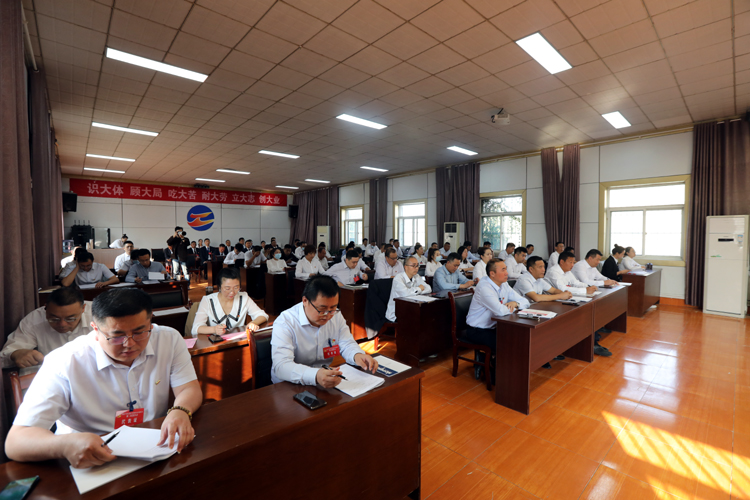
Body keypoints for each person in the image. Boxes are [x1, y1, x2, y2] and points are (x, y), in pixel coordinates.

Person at [5, 288, 202, 466]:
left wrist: (180, 410)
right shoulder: (64, 362)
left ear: (150, 321)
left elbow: (188, 387)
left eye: (140, 332)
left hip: (155, 445)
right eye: (116, 336)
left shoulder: (168, 339)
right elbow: (16, 442)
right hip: (90, 457)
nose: (129, 343)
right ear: (95, 329)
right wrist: (64, 445)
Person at [270, 276, 378, 387]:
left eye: (333, 308)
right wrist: (315, 375)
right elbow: (281, 366)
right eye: (322, 310)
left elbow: (346, 343)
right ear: (305, 301)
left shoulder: (336, 316)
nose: (328, 315)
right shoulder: (285, 322)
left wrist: (357, 355)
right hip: (288, 384)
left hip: (324, 380)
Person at [465, 259, 531, 380]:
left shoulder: (504, 284)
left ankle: (508, 372)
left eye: (506, 269)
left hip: (494, 327)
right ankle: (497, 376)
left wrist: (515, 303)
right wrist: (511, 306)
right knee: (505, 345)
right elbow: (500, 311)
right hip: (477, 330)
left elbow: (525, 301)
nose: (507, 273)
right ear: (492, 274)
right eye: (503, 270)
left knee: (517, 339)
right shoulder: (484, 287)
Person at [1, 288, 93, 368]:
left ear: (83, 308)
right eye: (54, 319)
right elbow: (3, 358)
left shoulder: (98, 316)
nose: (62, 324)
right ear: (46, 308)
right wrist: (15, 354)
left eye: (70, 319)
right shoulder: (33, 320)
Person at [514, 256, 573, 368]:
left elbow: (553, 290)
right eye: (540, 267)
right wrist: (560, 296)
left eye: (544, 267)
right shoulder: (524, 279)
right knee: (544, 327)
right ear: (531, 269)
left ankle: (547, 353)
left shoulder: (540, 280)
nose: (543, 269)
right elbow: (536, 298)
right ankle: (540, 356)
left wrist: (564, 293)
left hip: (534, 311)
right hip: (519, 314)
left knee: (555, 321)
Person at [191, 268, 268, 337]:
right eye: (227, 288)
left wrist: (254, 323)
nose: (232, 292)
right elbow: (196, 328)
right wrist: (214, 329)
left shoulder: (243, 297)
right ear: (219, 287)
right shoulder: (207, 300)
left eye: (236, 287)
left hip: (239, 340)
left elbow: (263, 315)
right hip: (217, 343)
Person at [385, 257, 432, 322]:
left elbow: (429, 288)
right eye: (413, 266)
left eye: (417, 265)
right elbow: (405, 294)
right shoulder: (398, 278)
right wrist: (419, 289)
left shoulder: (416, 276)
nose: (416, 268)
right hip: (397, 312)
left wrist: (415, 291)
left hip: (411, 308)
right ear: (405, 267)